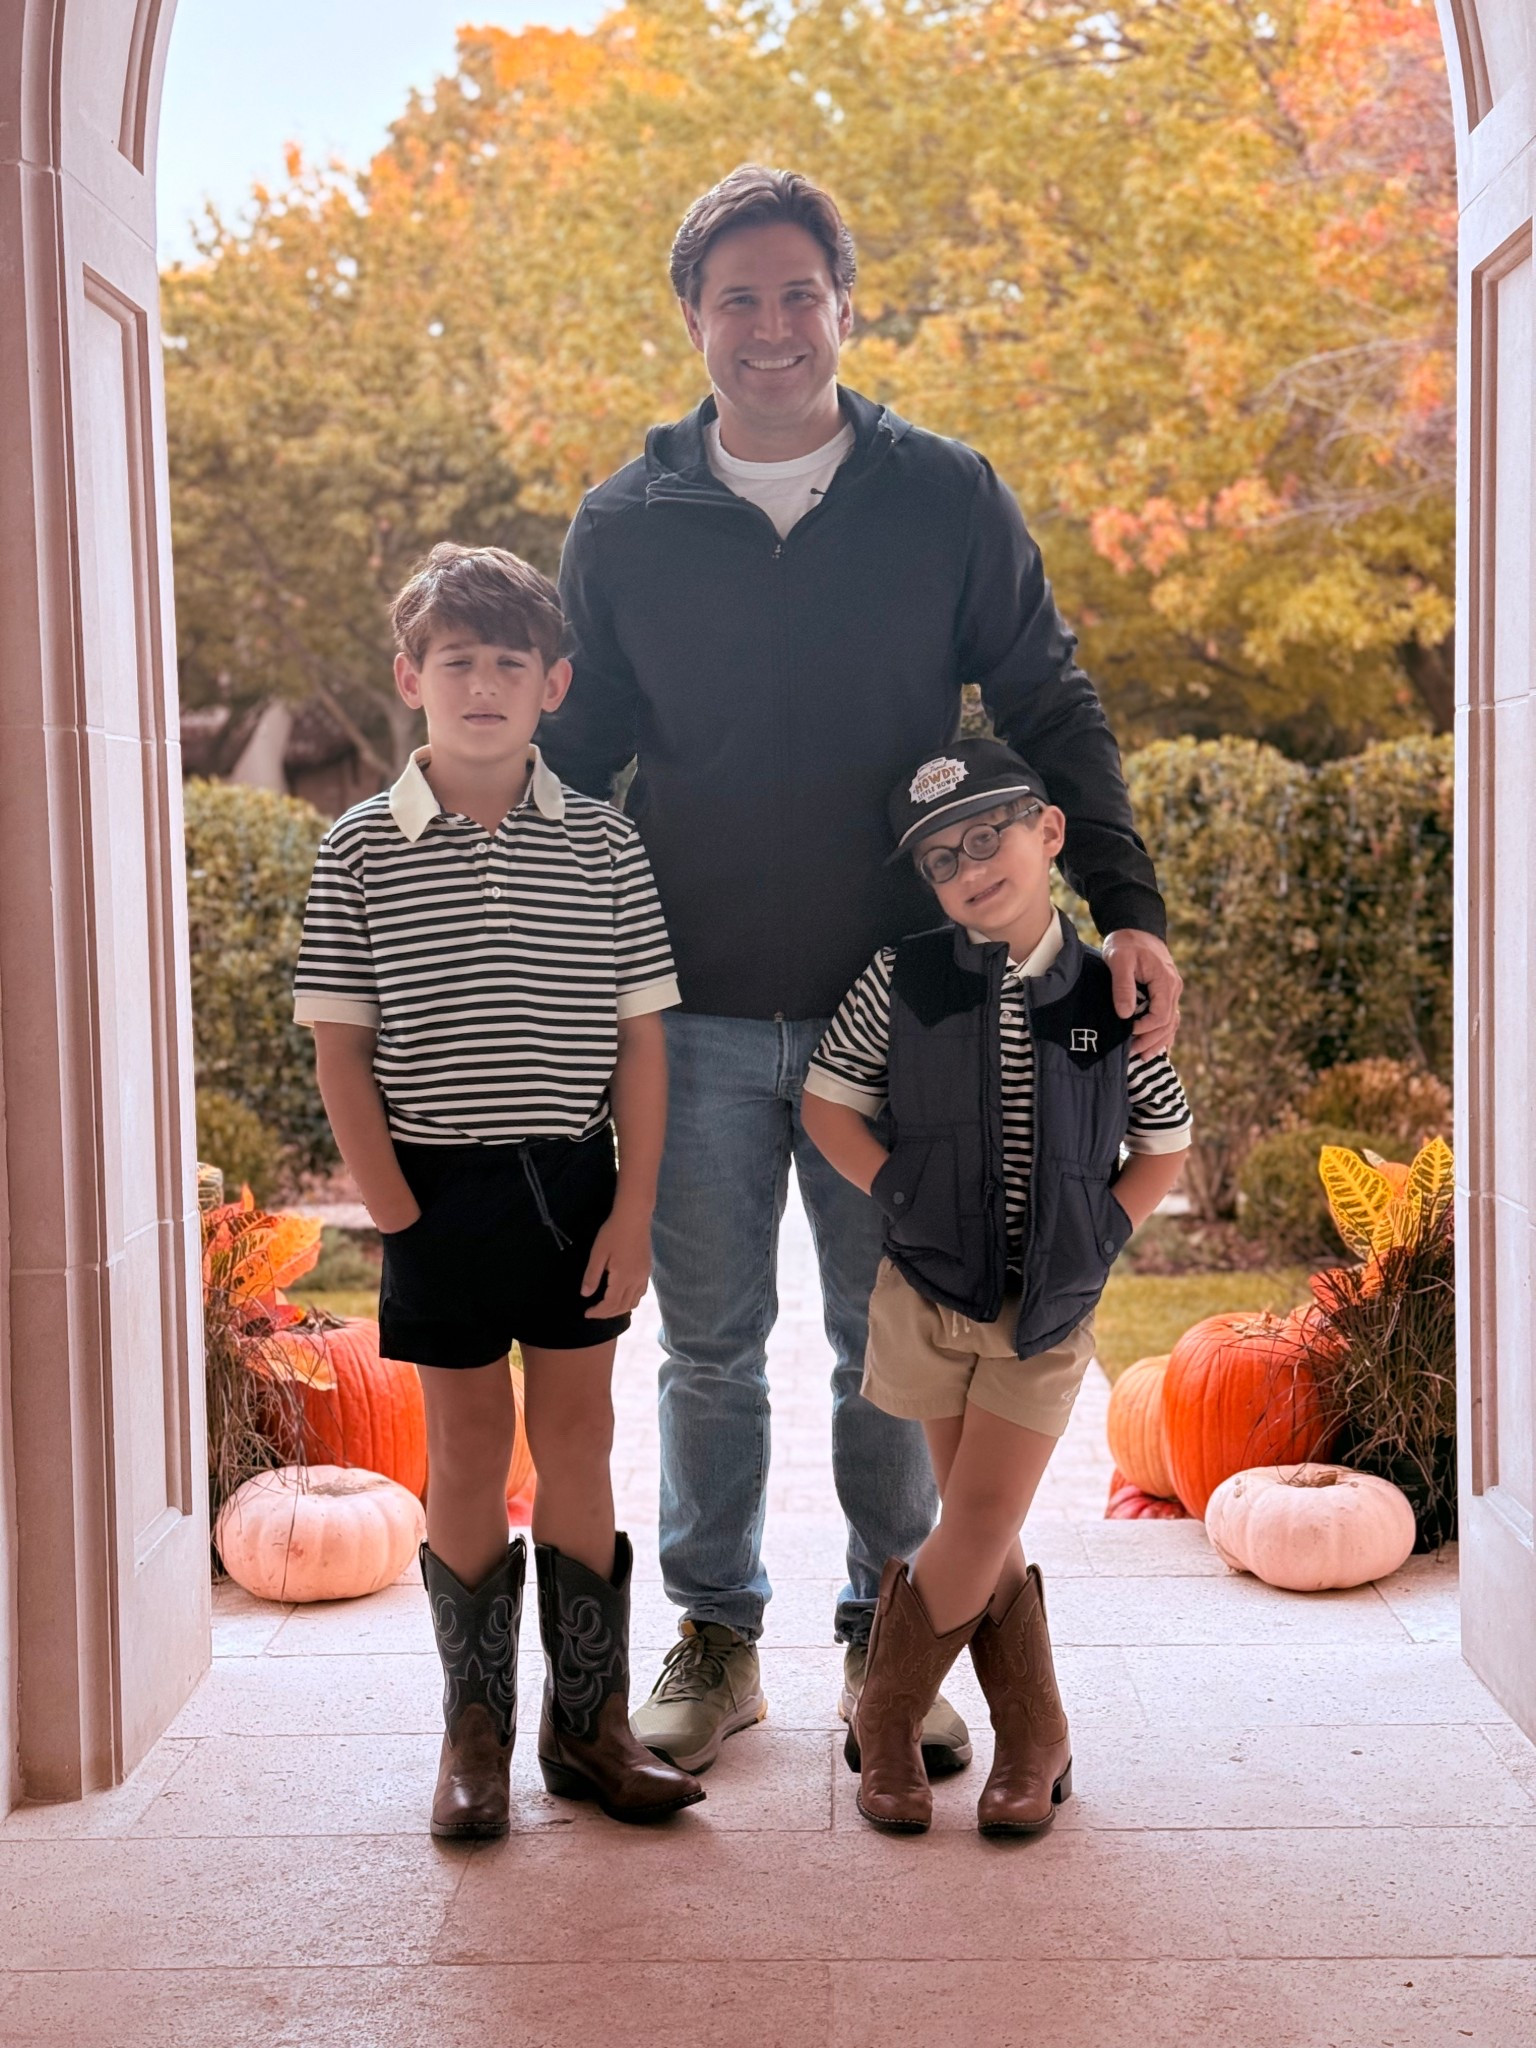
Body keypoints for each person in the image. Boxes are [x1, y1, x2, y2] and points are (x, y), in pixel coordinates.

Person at [541, 163, 1184, 1776]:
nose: (770, 326)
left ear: (844, 303)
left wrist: (1126, 894)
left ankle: (894, 1629)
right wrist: (482, 886)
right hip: (687, 1002)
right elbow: (583, 746)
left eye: (797, 292)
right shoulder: (623, 522)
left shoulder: (942, 492)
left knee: (891, 1332)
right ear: (693, 319)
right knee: (702, 1345)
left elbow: (1046, 693)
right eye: (736, 298)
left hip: (902, 1012)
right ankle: (716, 1630)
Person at [292, 543, 704, 1836]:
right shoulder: (359, 850)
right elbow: (340, 1048)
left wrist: (632, 1208)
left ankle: (589, 1728)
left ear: (555, 685)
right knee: (469, 1450)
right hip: (433, 1193)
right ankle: (473, 1739)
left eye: (509, 665)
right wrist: (395, 1214)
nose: (483, 685)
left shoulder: (605, 846)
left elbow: (643, 1040)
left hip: (573, 1188)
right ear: (412, 678)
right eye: (457, 662)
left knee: (579, 1437)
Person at [801, 738, 1192, 1833]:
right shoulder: (906, 978)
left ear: (1049, 829)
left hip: (1043, 1314)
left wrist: (1100, 1229)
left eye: (989, 834)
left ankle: (884, 1721)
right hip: (928, 1289)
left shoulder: (1109, 994)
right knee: (986, 1532)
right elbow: (829, 1108)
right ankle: (1035, 1738)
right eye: (940, 858)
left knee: (973, 1516)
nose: (971, 866)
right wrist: (906, 1191)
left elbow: (1162, 1141)